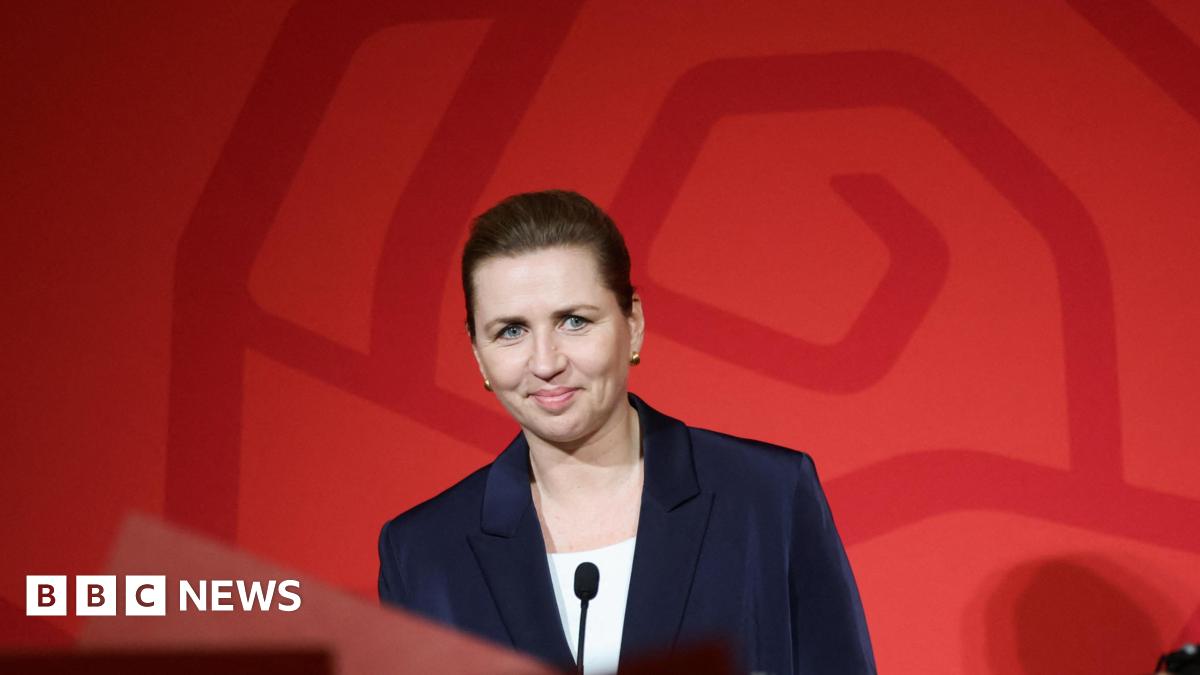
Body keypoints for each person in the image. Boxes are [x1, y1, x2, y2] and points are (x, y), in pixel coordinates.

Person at [378, 190, 876, 674]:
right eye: (511, 331)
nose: (546, 363)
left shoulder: (767, 496)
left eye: (574, 321)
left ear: (632, 322)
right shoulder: (423, 552)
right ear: (477, 352)